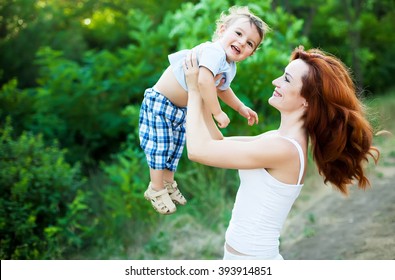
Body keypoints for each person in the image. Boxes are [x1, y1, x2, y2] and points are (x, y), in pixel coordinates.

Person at [183, 46, 380, 260]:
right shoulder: (276, 138)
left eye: (286, 79)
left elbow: (197, 151)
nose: (275, 82)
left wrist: (193, 90)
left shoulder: (284, 149)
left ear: (307, 100)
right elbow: (214, 143)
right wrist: (204, 90)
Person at [139, 6, 270, 215]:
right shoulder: (214, 51)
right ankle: (155, 188)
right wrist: (217, 112)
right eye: (238, 33)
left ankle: (168, 183)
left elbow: (222, 88)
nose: (241, 42)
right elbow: (204, 81)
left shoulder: (229, 66)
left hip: (179, 108)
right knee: (160, 147)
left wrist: (240, 107)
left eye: (249, 44)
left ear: (251, 53)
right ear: (221, 30)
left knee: (175, 148)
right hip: (161, 102)